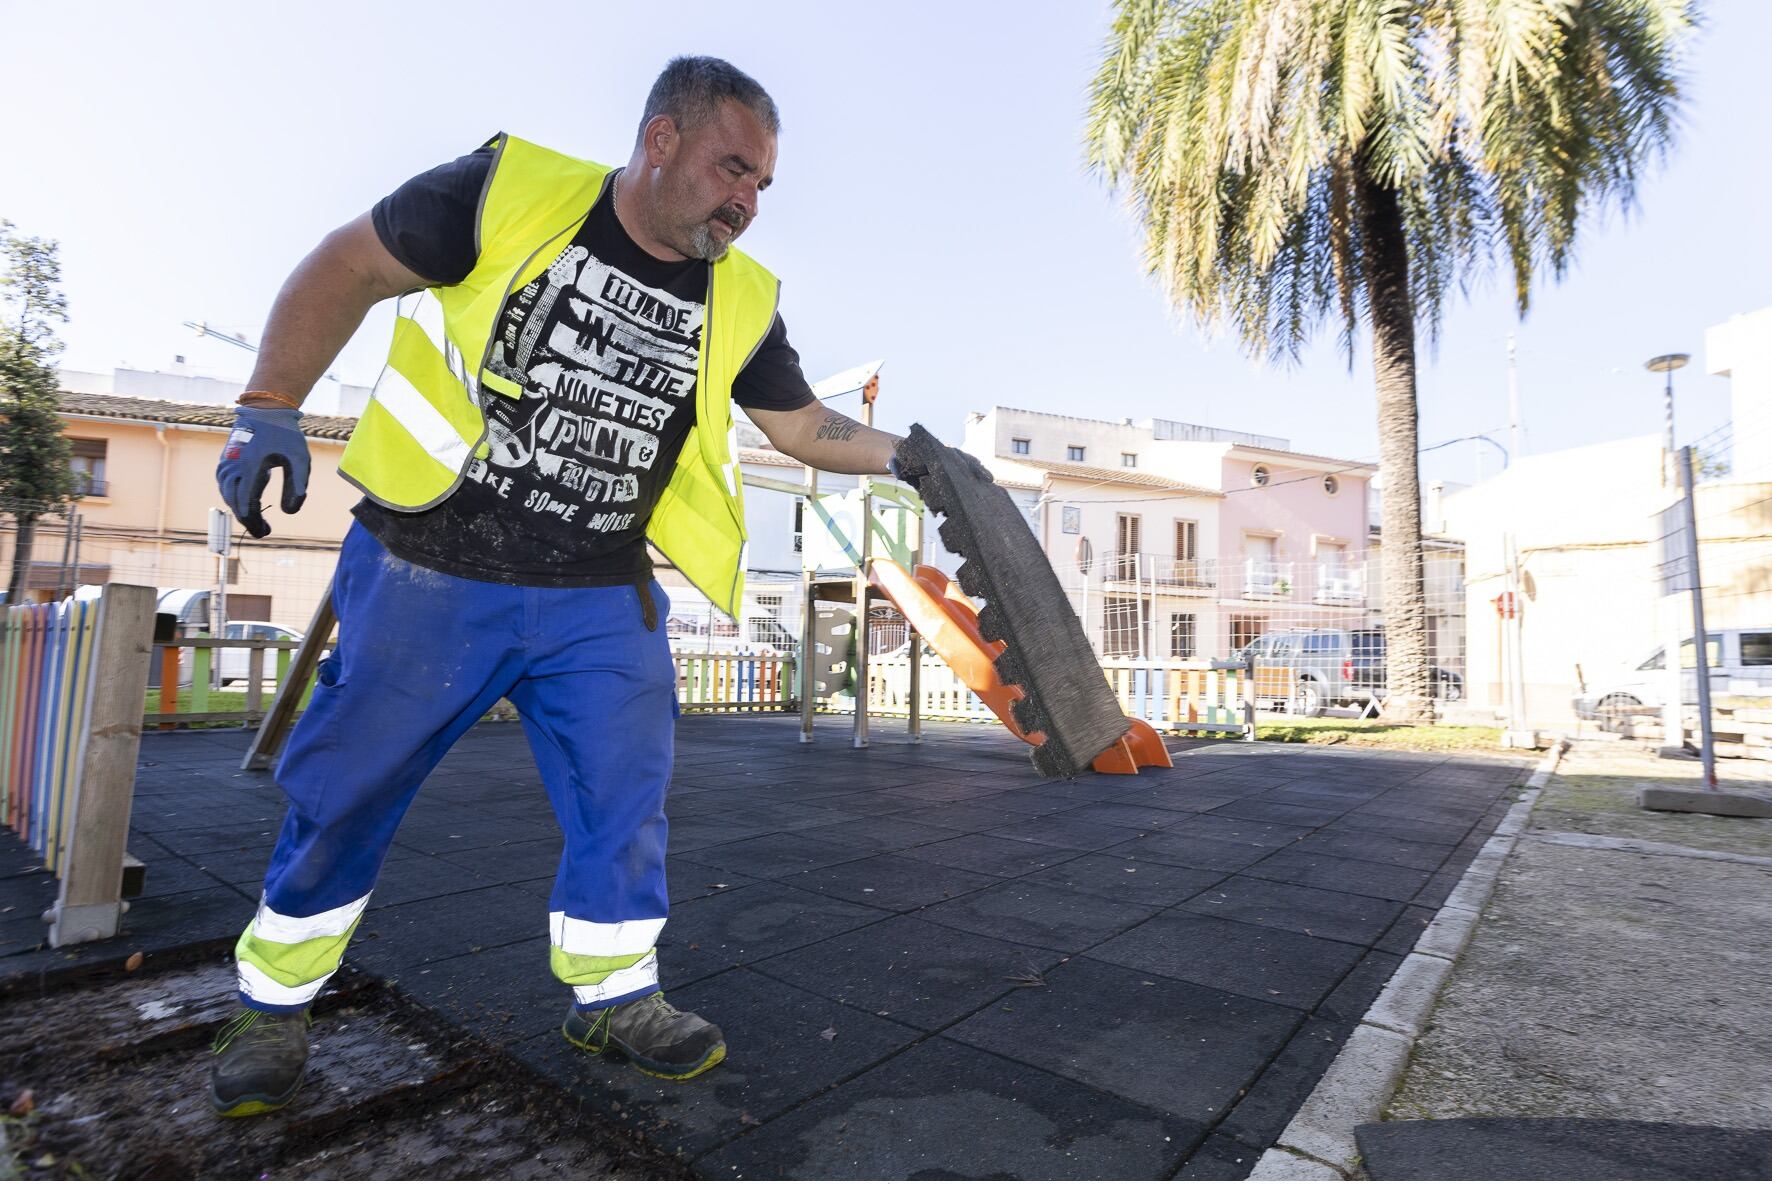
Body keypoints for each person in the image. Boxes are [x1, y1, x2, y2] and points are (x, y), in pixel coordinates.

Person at [209, 56, 908, 1117]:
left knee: (623, 799)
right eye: (732, 169)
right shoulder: (506, 191)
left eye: (762, 184)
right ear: (661, 139)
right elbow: (346, 264)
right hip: (429, 567)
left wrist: (920, 456)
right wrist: (267, 402)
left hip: (596, 590)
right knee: (344, 790)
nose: (746, 201)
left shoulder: (742, 297)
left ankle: (613, 993)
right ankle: (273, 1001)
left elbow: (803, 426)